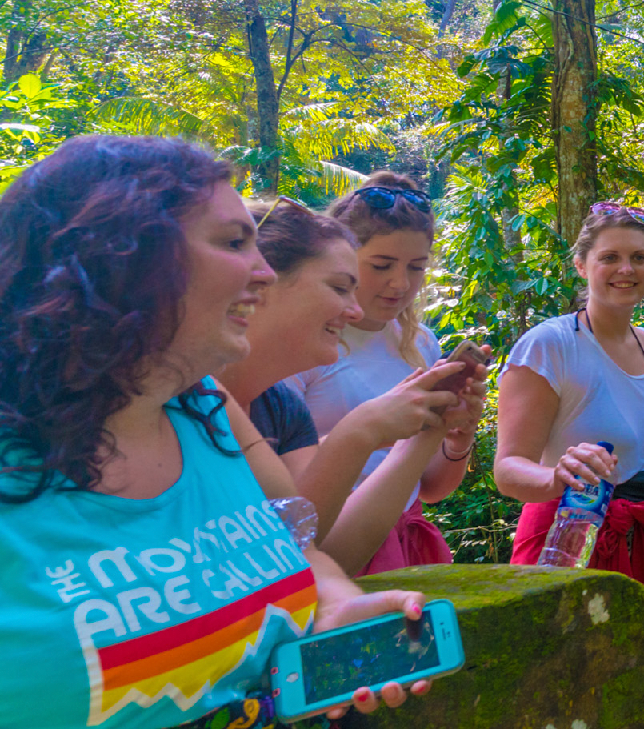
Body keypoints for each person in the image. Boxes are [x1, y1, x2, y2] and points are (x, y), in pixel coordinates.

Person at [0, 136, 429, 728]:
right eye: (233, 243)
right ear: (120, 254)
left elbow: (299, 546)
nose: (262, 271)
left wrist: (331, 607)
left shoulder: (202, 402)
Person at [217, 201, 478, 574]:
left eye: (417, 267)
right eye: (340, 287)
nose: (354, 312)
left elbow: (319, 554)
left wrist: (429, 430)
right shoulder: (175, 397)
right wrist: (361, 429)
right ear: (259, 283)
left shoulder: (280, 408)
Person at [495, 203, 644, 616]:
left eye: (639, 257)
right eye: (610, 257)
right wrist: (558, 475)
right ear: (582, 265)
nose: (626, 269)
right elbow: (508, 469)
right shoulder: (549, 345)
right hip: (568, 539)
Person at [291, 173, 473, 574]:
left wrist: (455, 435)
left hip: (406, 543)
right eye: (381, 265)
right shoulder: (306, 344)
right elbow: (284, 488)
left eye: (416, 267)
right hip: (324, 546)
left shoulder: (420, 343)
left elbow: (431, 487)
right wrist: (364, 432)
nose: (400, 283)